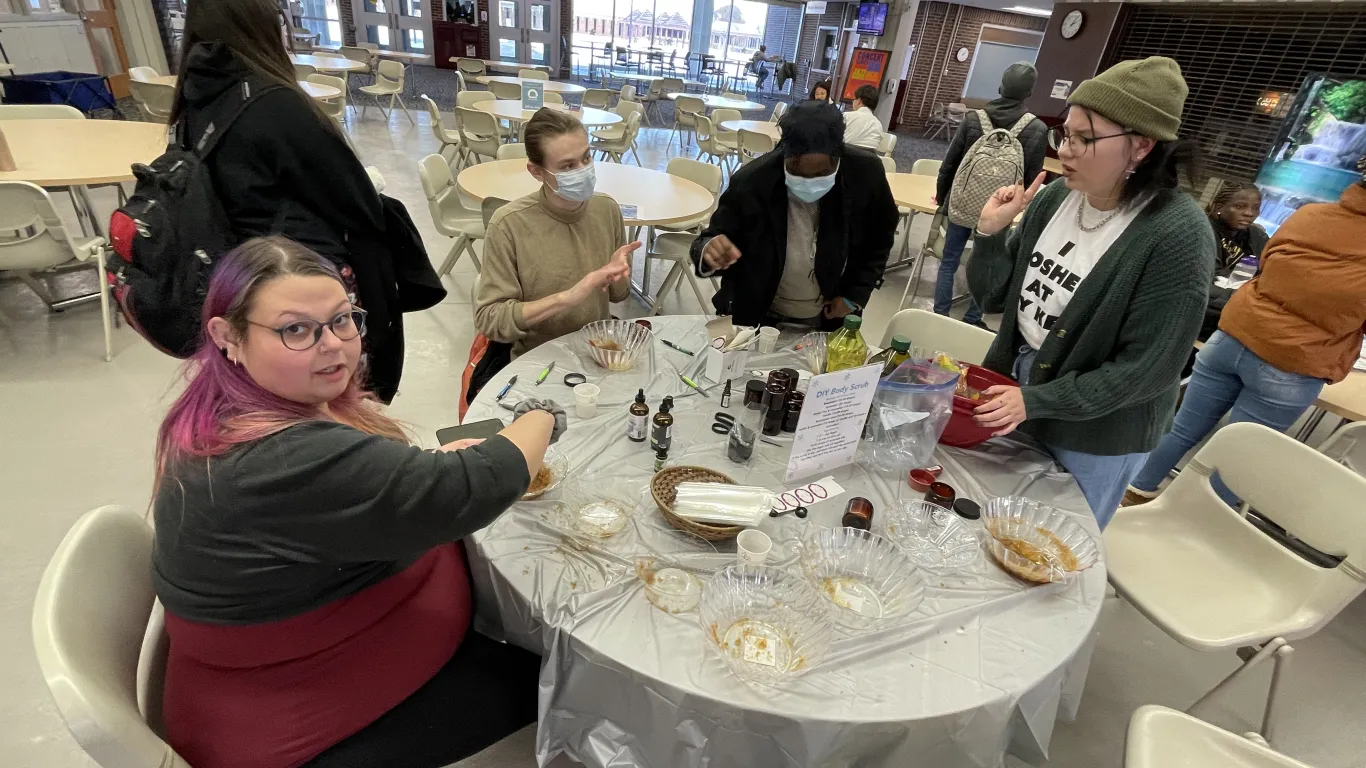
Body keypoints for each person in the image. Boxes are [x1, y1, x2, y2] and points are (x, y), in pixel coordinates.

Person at [151, 237, 567, 768]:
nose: (333, 346)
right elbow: (477, 484)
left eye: (343, 320)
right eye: (295, 329)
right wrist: (543, 416)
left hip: (301, 659)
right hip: (305, 724)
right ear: (227, 336)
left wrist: (419, 470)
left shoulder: (232, 409)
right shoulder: (277, 460)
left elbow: (365, 486)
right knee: (574, 680)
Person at [966, 57, 1215, 528]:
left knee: (1050, 547)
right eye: (1065, 134)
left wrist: (1037, 401)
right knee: (991, 525)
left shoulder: (1177, 233)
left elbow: (1147, 370)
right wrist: (990, 235)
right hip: (1020, 387)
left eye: (1085, 139)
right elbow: (993, 300)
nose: (1067, 150)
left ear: (1141, 147)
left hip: (1098, 428)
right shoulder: (1057, 199)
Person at [171, 0, 433, 403]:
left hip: (249, 285)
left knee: (284, 404)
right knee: (341, 405)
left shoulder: (197, 98)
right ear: (261, 25)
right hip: (305, 280)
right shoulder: (273, 103)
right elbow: (358, 203)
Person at [1126, 164, 1366, 507]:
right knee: (1238, 453)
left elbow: (1267, 264)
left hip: (1233, 334)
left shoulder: (1309, 215)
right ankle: (1187, 519)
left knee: (1182, 427)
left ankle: (1134, 493)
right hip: (1293, 362)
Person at [689, 100, 899, 329]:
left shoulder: (865, 175)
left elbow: (880, 237)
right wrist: (708, 249)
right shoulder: (752, 182)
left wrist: (855, 295)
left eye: (820, 173)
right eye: (797, 171)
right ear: (784, 153)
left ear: (838, 157)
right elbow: (712, 237)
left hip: (829, 314)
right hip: (757, 312)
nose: (808, 181)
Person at [474, 108, 639, 357]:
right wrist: (568, 298)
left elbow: (618, 296)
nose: (582, 170)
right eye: (567, 166)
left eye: (586, 158)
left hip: (598, 351)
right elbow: (491, 320)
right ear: (537, 171)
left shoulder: (606, 209)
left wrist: (619, 275)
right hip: (536, 359)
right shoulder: (509, 224)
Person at [933, 62, 1048, 328]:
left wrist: (943, 200)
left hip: (962, 203)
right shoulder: (1037, 129)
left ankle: (939, 315)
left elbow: (950, 164)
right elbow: (1030, 179)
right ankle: (973, 318)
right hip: (1000, 210)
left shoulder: (973, 119)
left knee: (949, 260)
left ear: (1000, 86)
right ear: (1030, 93)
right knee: (987, 261)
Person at [1199, 181, 1269, 341]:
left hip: (1238, 308)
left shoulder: (1257, 237)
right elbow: (1206, 281)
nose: (1249, 213)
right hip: (1207, 310)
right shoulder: (1201, 230)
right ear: (1218, 207)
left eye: (1255, 208)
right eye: (1240, 207)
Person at [842, 83, 885, 151]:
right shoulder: (879, 125)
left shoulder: (846, 116)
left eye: (854, 99)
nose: (853, 102)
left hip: (844, 159)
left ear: (859, 101)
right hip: (870, 160)